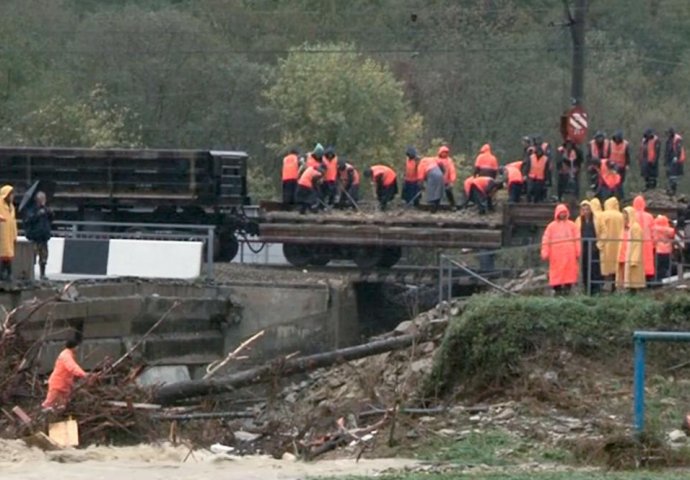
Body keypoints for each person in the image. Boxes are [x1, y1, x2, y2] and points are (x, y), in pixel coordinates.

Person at [541, 204, 580, 295]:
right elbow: (546, 239)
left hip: (569, 255)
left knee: (569, 274)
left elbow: (577, 239)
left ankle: (567, 290)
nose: (562, 214)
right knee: (556, 274)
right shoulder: (551, 226)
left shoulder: (572, 225)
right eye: (561, 213)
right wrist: (545, 252)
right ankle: (557, 290)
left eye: (564, 213)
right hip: (556, 256)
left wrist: (578, 251)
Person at [41, 338, 88, 411]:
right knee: (49, 404)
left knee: (60, 406)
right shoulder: (66, 356)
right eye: (77, 346)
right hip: (58, 384)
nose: (78, 348)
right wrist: (84, 374)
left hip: (62, 385)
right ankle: (42, 419)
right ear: (74, 347)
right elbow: (72, 367)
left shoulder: (67, 354)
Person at [24, 191, 53, 280]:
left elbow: (51, 219)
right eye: (41, 199)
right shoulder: (31, 209)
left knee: (44, 257)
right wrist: (37, 215)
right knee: (32, 257)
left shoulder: (46, 209)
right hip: (34, 237)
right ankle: (30, 274)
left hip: (44, 237)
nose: (43, 201)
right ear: (37, 200)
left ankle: (42, 274)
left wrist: (49, 212)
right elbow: (27, 221)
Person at [575, 200, 602, 294]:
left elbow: (603, 232)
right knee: (585, 266)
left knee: (595, 266)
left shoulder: (596, 219)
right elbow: (576, 232)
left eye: (587, 209)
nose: (585, 211)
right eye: (583, 209)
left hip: (594, 246)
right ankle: (586, 287)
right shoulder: (579, 220)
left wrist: (600, 244)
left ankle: (596, 288)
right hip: (583, 246)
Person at [616, 206, 645, 291]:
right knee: (623, 275)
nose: (624, 216)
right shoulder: (623, 227)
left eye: (626, 214)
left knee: (632, 278)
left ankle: (633, 291)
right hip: (623, 255)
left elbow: (637, 244)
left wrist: (634, 259)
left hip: (630, 256)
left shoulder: (635, 227)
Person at [599, 196, 624, 290]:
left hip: (607, 243)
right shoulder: (621, 215)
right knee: (616, 263)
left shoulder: (603, 215)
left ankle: (605, 284)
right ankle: (615, 284)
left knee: (605, 264)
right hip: (619, 243)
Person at [632, 195, 655, 282]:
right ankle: (648, 279)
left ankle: (636, 280)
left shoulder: (632, 216)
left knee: (636, 261)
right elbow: (653, 230)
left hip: (635, 242)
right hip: (647, 242)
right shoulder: (649, 216)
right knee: (648, 261)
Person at [0, 185, 17, 281]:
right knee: (2, 254)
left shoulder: (12, 207)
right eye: (11, 194)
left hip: (9, 234)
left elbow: (13, 222)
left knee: (8, 255)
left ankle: (8, 274)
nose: (12, 196)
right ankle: (2, 274)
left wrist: (15, 235)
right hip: (2, 233)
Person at [664, 128, 686, 196]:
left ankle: (673, 190)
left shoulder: (677, 139)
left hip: (675, 160)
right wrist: (665, 160)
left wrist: (676, 157)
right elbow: (667, 151)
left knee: (673, 176)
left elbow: (678, 149)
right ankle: (670, 189)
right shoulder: (669, 140)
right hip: (669, 160)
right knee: (669, 175)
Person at [609, 131, 631, 198]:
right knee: (611, 183)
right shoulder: (610, 143)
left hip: (622, 167)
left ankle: (621, 197)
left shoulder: (625, 144)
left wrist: (627, 164)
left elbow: (627, 155)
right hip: (612, 166)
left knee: (620, 183)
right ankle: (612, 196)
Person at [653, 215, 675, 281]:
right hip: (668, 250)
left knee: (658, 266)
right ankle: (666, 279)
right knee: (666, 266)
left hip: (658, 250)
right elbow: (673, 236)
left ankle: (658, 279)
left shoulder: (654, 229)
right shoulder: (670, 230)